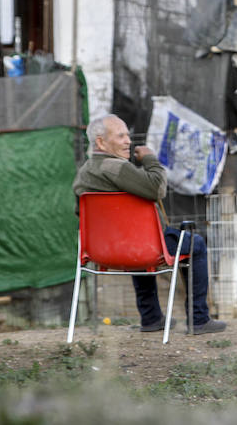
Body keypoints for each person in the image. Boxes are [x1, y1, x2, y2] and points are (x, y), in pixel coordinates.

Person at [72, 114, 226, 335]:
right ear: (100, 142)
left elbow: (81, 213)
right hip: (142, 249)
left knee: (134, 242)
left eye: (128, 135)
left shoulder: (83, 174)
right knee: (196, 244)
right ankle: (198, 319)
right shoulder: (116, 167)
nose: (128, 141)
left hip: (101, 252)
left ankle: (151, 317)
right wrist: (150, 159)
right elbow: (157, 189)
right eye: (121, 136)